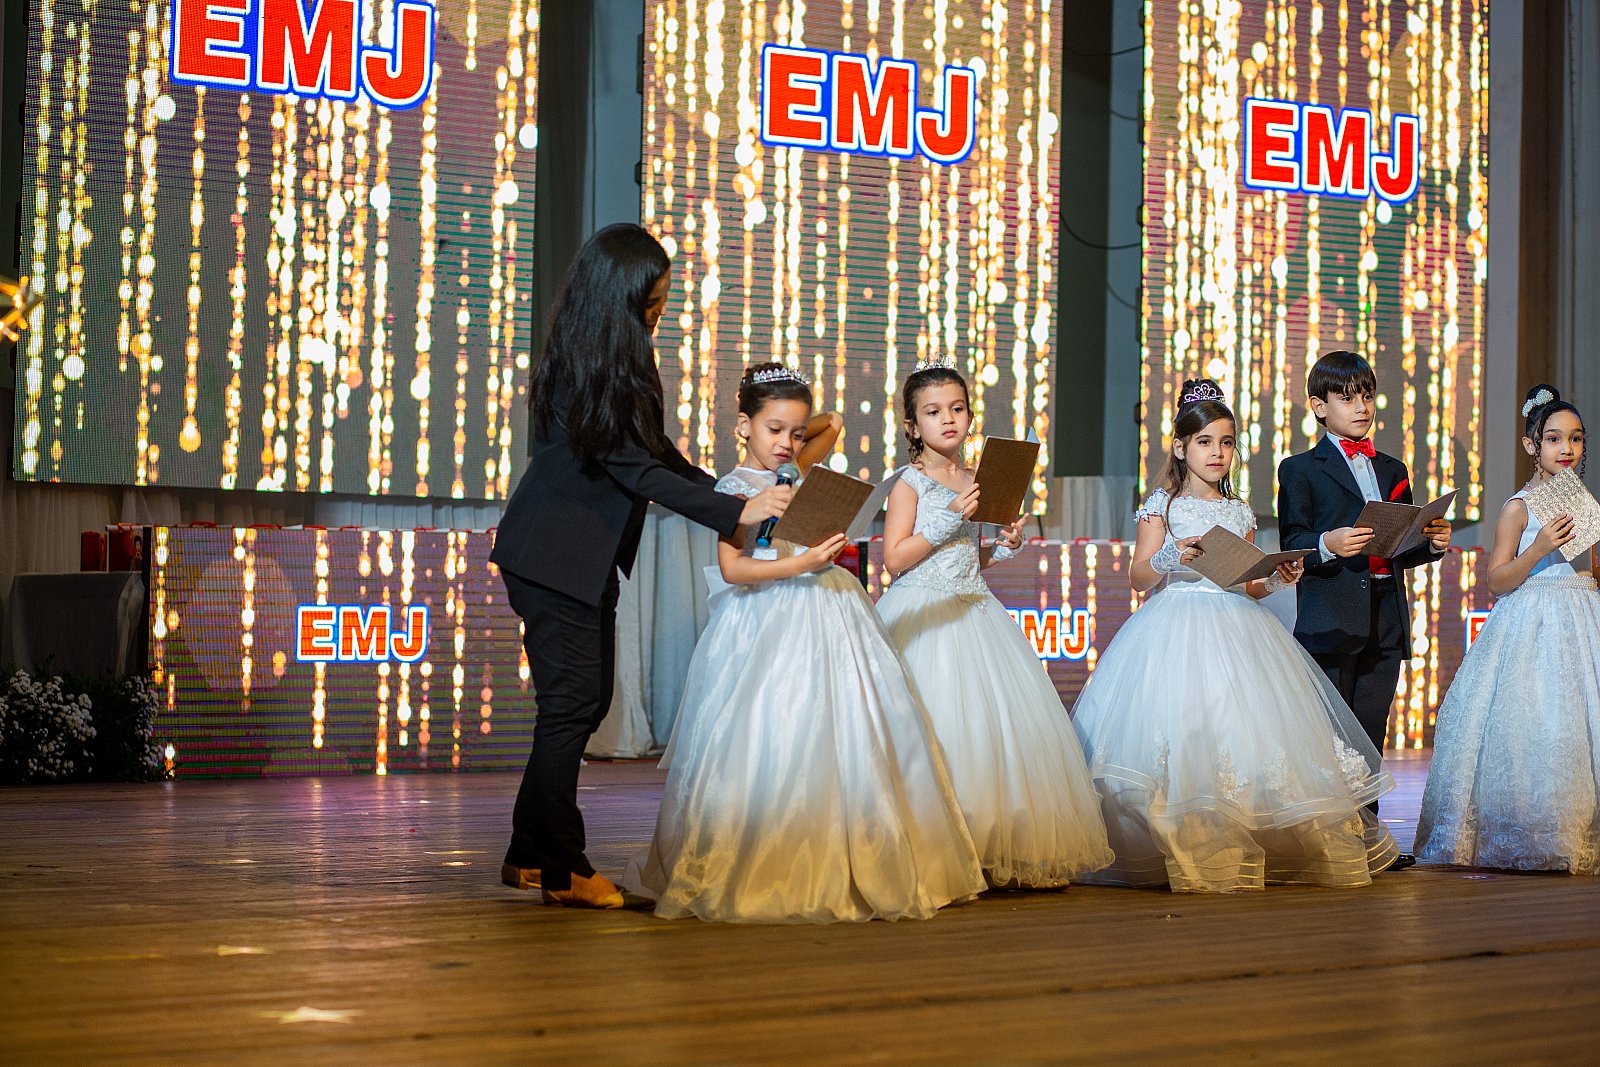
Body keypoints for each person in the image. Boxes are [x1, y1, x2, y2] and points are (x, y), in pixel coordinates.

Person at [491, 224, 792, 908]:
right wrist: (735, 512)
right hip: (553, 554)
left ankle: (529, 853)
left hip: (574, 555)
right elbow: (634, 468)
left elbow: (653, 450)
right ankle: (564, 869)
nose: (659, 311)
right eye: (651, 300)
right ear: (617, 296)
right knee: (572, 707)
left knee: (580, 703)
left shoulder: (613, 354)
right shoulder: (587, 361)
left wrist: (728, 492)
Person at [626, 363, 987, 922]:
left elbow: (833, 422)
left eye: (796, 433)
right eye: (773, 430)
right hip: (767, 616)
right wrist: (800, 560)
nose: (788, 443)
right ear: (742, 426)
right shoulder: (734, 490)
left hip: (829, 604)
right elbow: (733, 569)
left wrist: (790, 435)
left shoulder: (793, 469)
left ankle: (847, 851)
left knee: (846, 734)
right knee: (776, 732)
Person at [1071, 379, 1398, 891]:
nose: (1217, 453)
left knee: (1246, 736)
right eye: (1205, 442)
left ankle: (1248, 839)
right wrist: (1170, 555)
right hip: (1174, 625)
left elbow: (1247, 585)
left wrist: (1277, 578)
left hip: (1237, 625)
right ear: (1181, 447)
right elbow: (1138, 577)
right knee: (1185, 734)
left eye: (1226, 443)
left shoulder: (1239, 510)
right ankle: (1184, 843)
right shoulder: (1163, 505)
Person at [875, 363, 1112, 888]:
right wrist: (947, 519)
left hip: (974, 609)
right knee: (934, 728)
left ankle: (985, 847)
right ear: (912, 425)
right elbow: (896, 558)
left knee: (986, 736)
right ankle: (933, 848)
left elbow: (962, 557)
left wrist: (1001, 550)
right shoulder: (908, 484)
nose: (948, 419)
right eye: (933, 412)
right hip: (923, 614)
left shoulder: (973, 480)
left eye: (957, 409)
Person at [1415, 385, 1600, 872]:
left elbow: (1592, 568)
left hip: (1583, 618)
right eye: (1554, 438)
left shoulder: (1584, 503)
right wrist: (1538, 549)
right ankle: (1533, 831)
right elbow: (1497, 580)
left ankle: (1581, 829)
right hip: (1532, 622)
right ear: (1531, 445)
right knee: (1538, 720)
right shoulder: (1519, 507)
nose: (1566, 448)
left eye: (1576, 438)